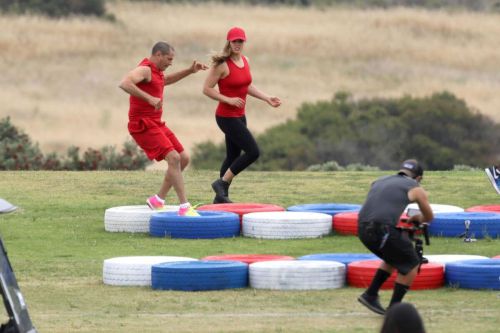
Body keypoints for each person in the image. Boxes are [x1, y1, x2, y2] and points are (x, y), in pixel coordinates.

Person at [119, 41, 208, 216]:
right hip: (142, 124)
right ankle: (184, 207)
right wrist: (149, 99)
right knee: (173, 157)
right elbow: (124, 83)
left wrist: (190, 71)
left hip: (156, 122)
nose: (170, 63)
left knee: (183, 158)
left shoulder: (157, 73)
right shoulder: (145, 69)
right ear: (158, 55)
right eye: (169, 59)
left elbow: (165, 81)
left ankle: (157, 200)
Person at [203, 27, 282, 203]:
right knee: (253, 152)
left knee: (232, 156)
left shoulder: (246, 61)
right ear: (229, 42)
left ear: (244, 42)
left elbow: (246, 86)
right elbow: (206, 89)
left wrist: (267, 98)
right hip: (226, 117)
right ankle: (221, 184)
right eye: (234, 41)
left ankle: (221, 198)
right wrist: (228, 100)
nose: (237, 44)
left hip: (240, 115)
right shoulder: (222, 64)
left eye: (240, 41)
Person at [357, 159, 434, 315]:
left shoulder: (379, 181)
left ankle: (371, 294)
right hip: (381, 229)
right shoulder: (416, 187)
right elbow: (429, 216)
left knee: (394, 256)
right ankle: (394, 310)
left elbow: (379, 206)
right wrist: (418, 218)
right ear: (418, 178)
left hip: (361, 228)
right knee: (412, 264)